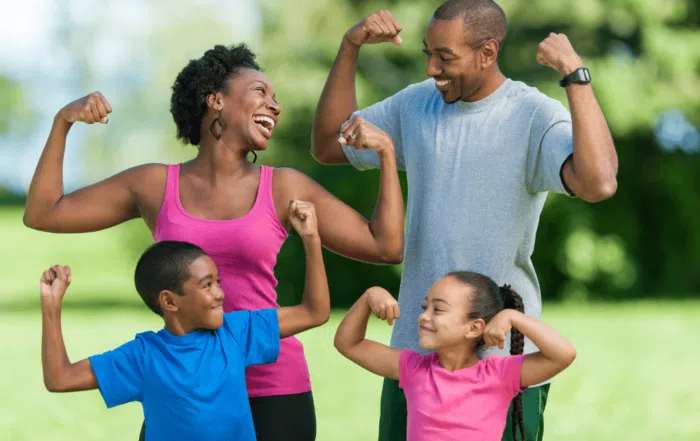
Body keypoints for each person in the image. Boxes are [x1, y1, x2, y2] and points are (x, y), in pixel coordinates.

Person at [24, 43, 404, 441]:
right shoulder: (154, 185)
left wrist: (387, 154)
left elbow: (384, 246)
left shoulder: (283, 186)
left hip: (272, 387)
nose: (274, 106)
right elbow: (44, 213)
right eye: (260, 91)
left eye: (275, 99)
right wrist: (63, 121)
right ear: (216, 100)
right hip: (182, 386)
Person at [311, 1, 617, 439]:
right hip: (417, 358)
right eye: (428, 54)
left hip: (502, 363)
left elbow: (599, 182)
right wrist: (350, 45)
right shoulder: (416, 104)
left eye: (446, 57)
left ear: (488, 52)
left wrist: (574, 75)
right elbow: (327, 144)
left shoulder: (532, 115)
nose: (433, 68)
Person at [39, 201, 329, 441]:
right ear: (169, 301)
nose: (219, 294)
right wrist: (51, 308)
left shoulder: (235, 333)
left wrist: (311, 239)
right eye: (206, 285)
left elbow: (314, 313)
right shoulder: (143, 356)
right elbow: (60, 379)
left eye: (218, 282)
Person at [334, 271, 576, 441]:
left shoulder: (499, 375)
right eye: (424, 307)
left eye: (437, 309)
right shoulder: (414, 368)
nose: (423, 317)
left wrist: (514, 318)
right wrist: (370, 296)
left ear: (474, 328)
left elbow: (563, 354)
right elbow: (349, 344)